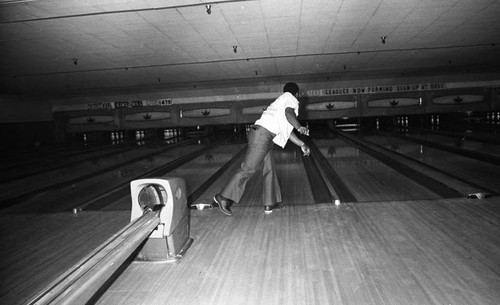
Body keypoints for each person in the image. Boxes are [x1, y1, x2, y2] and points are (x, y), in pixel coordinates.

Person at [213, 82, 310, 215]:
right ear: (297, 93)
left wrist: (302, 144)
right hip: (262, 136)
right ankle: (223, 197)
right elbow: (289, 114)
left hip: (263, 135)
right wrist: (299, 127)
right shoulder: (291, 99)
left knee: (269, 168)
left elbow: (287, 130)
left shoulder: (280, 101)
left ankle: (270, 203)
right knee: (248, 168)